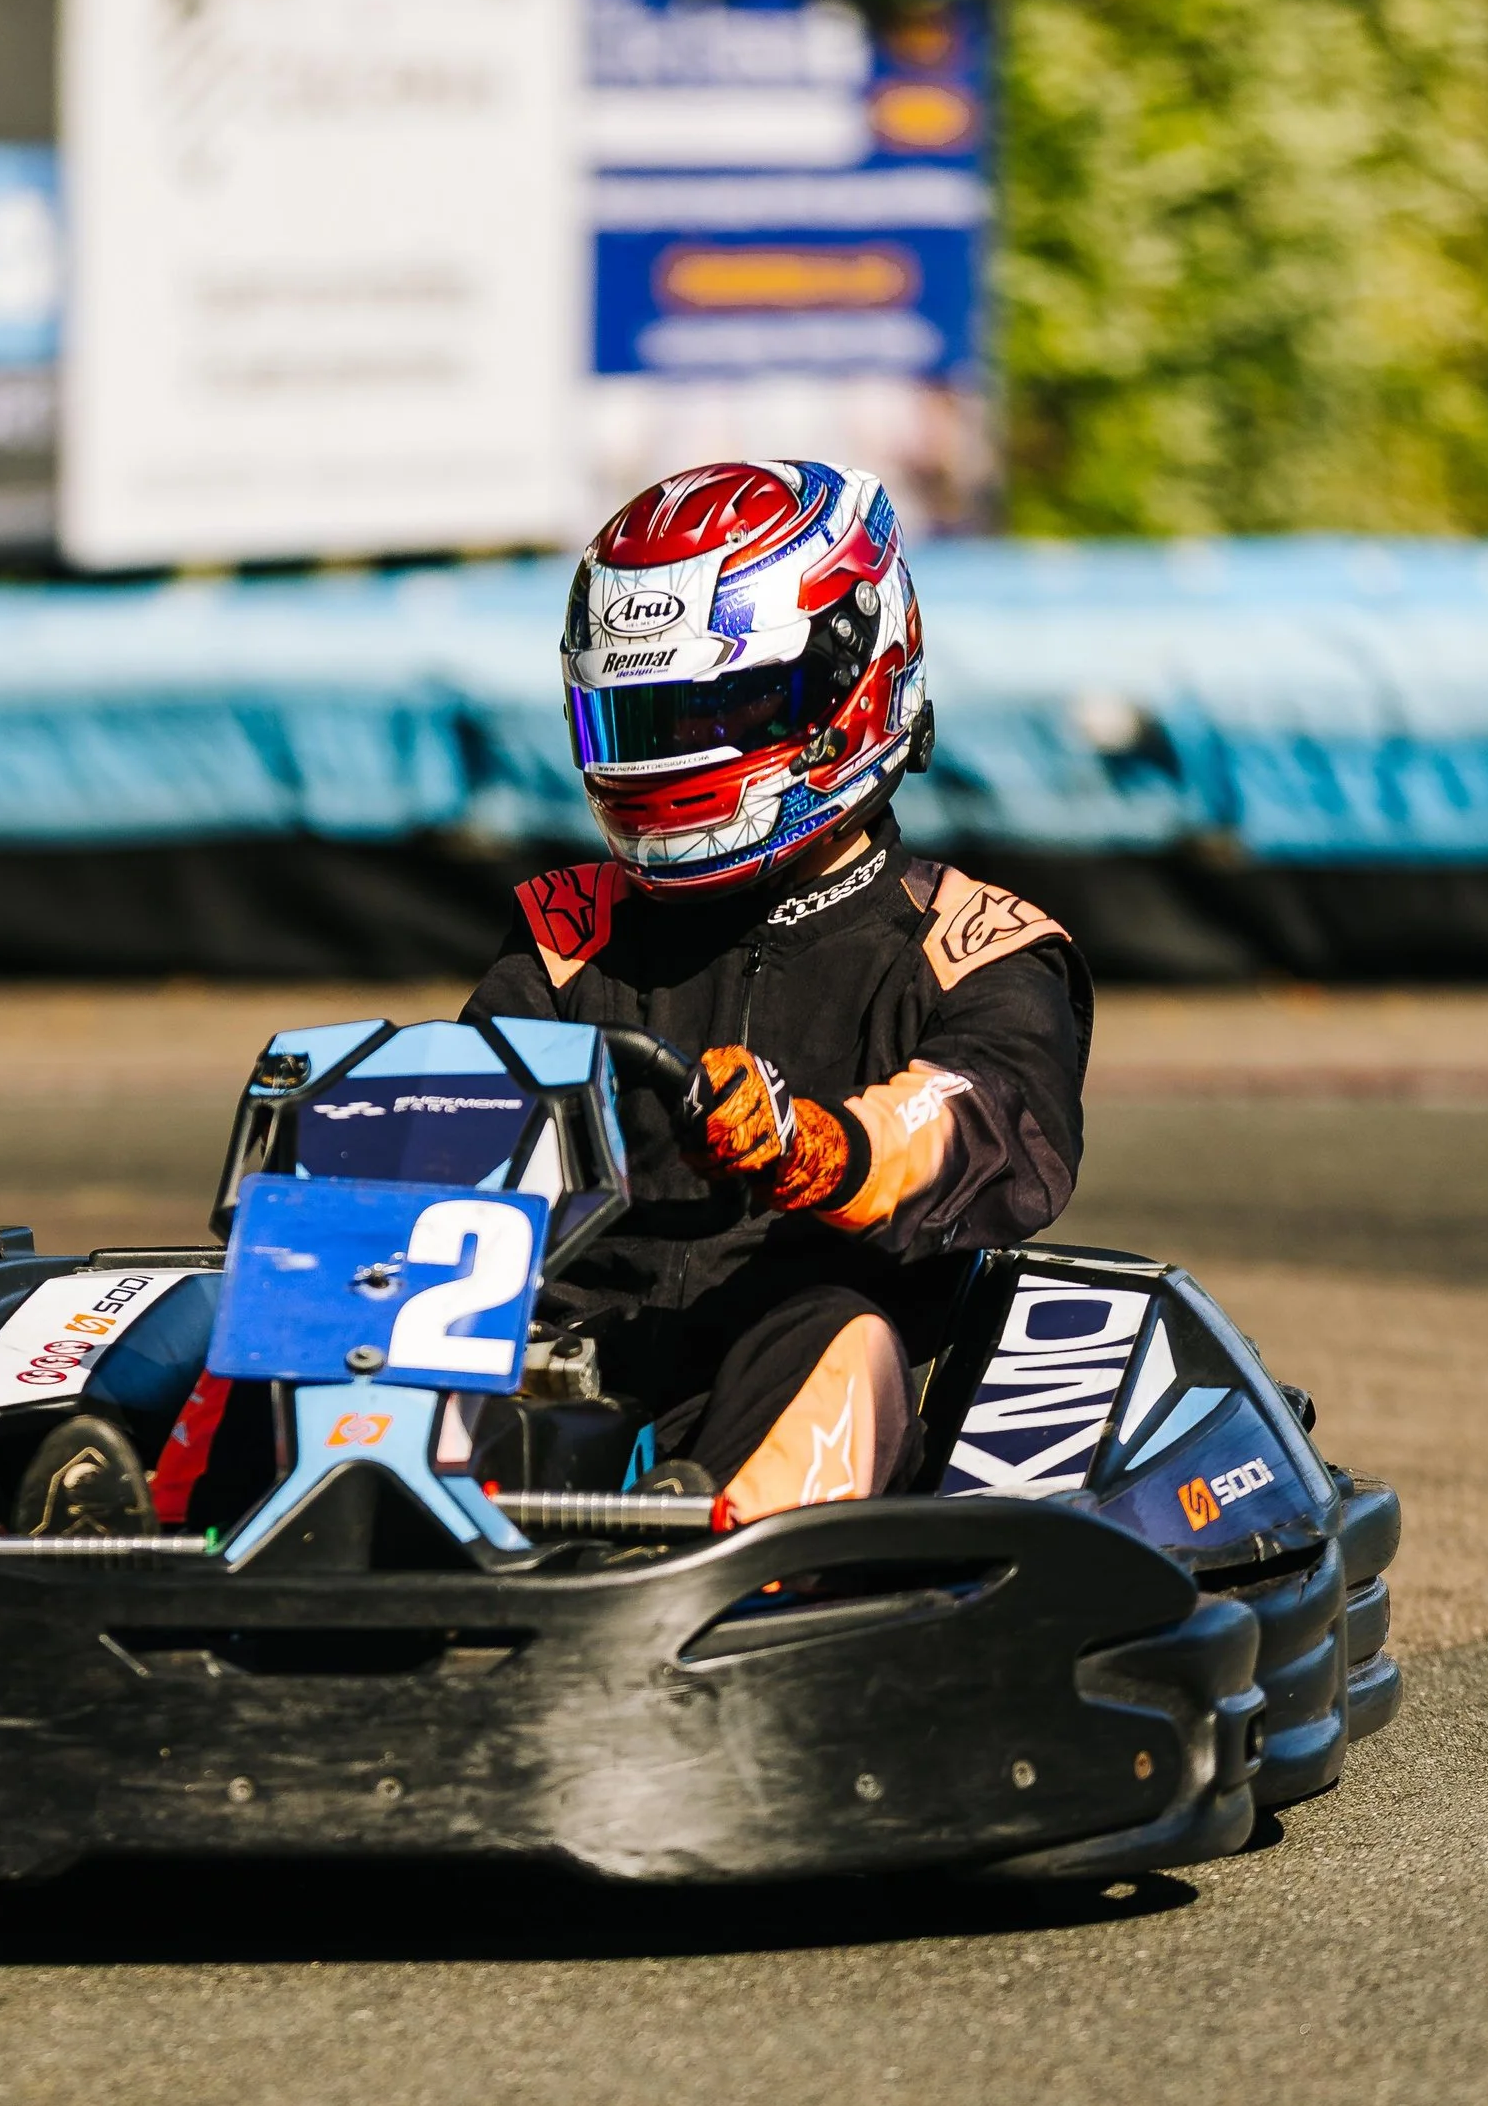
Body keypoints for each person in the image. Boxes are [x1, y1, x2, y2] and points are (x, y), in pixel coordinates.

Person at [462, 455, 1089, 1521]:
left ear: (850, 688)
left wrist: (815, 1145)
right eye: (640, 723)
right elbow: (457, 1157)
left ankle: (702, 1576)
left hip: (800, 1374)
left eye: (705, 714)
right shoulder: (568, 948)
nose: (664, 760)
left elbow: (985, 1121)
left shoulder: (971, 948)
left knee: (834, 1329)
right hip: (567, 1385)